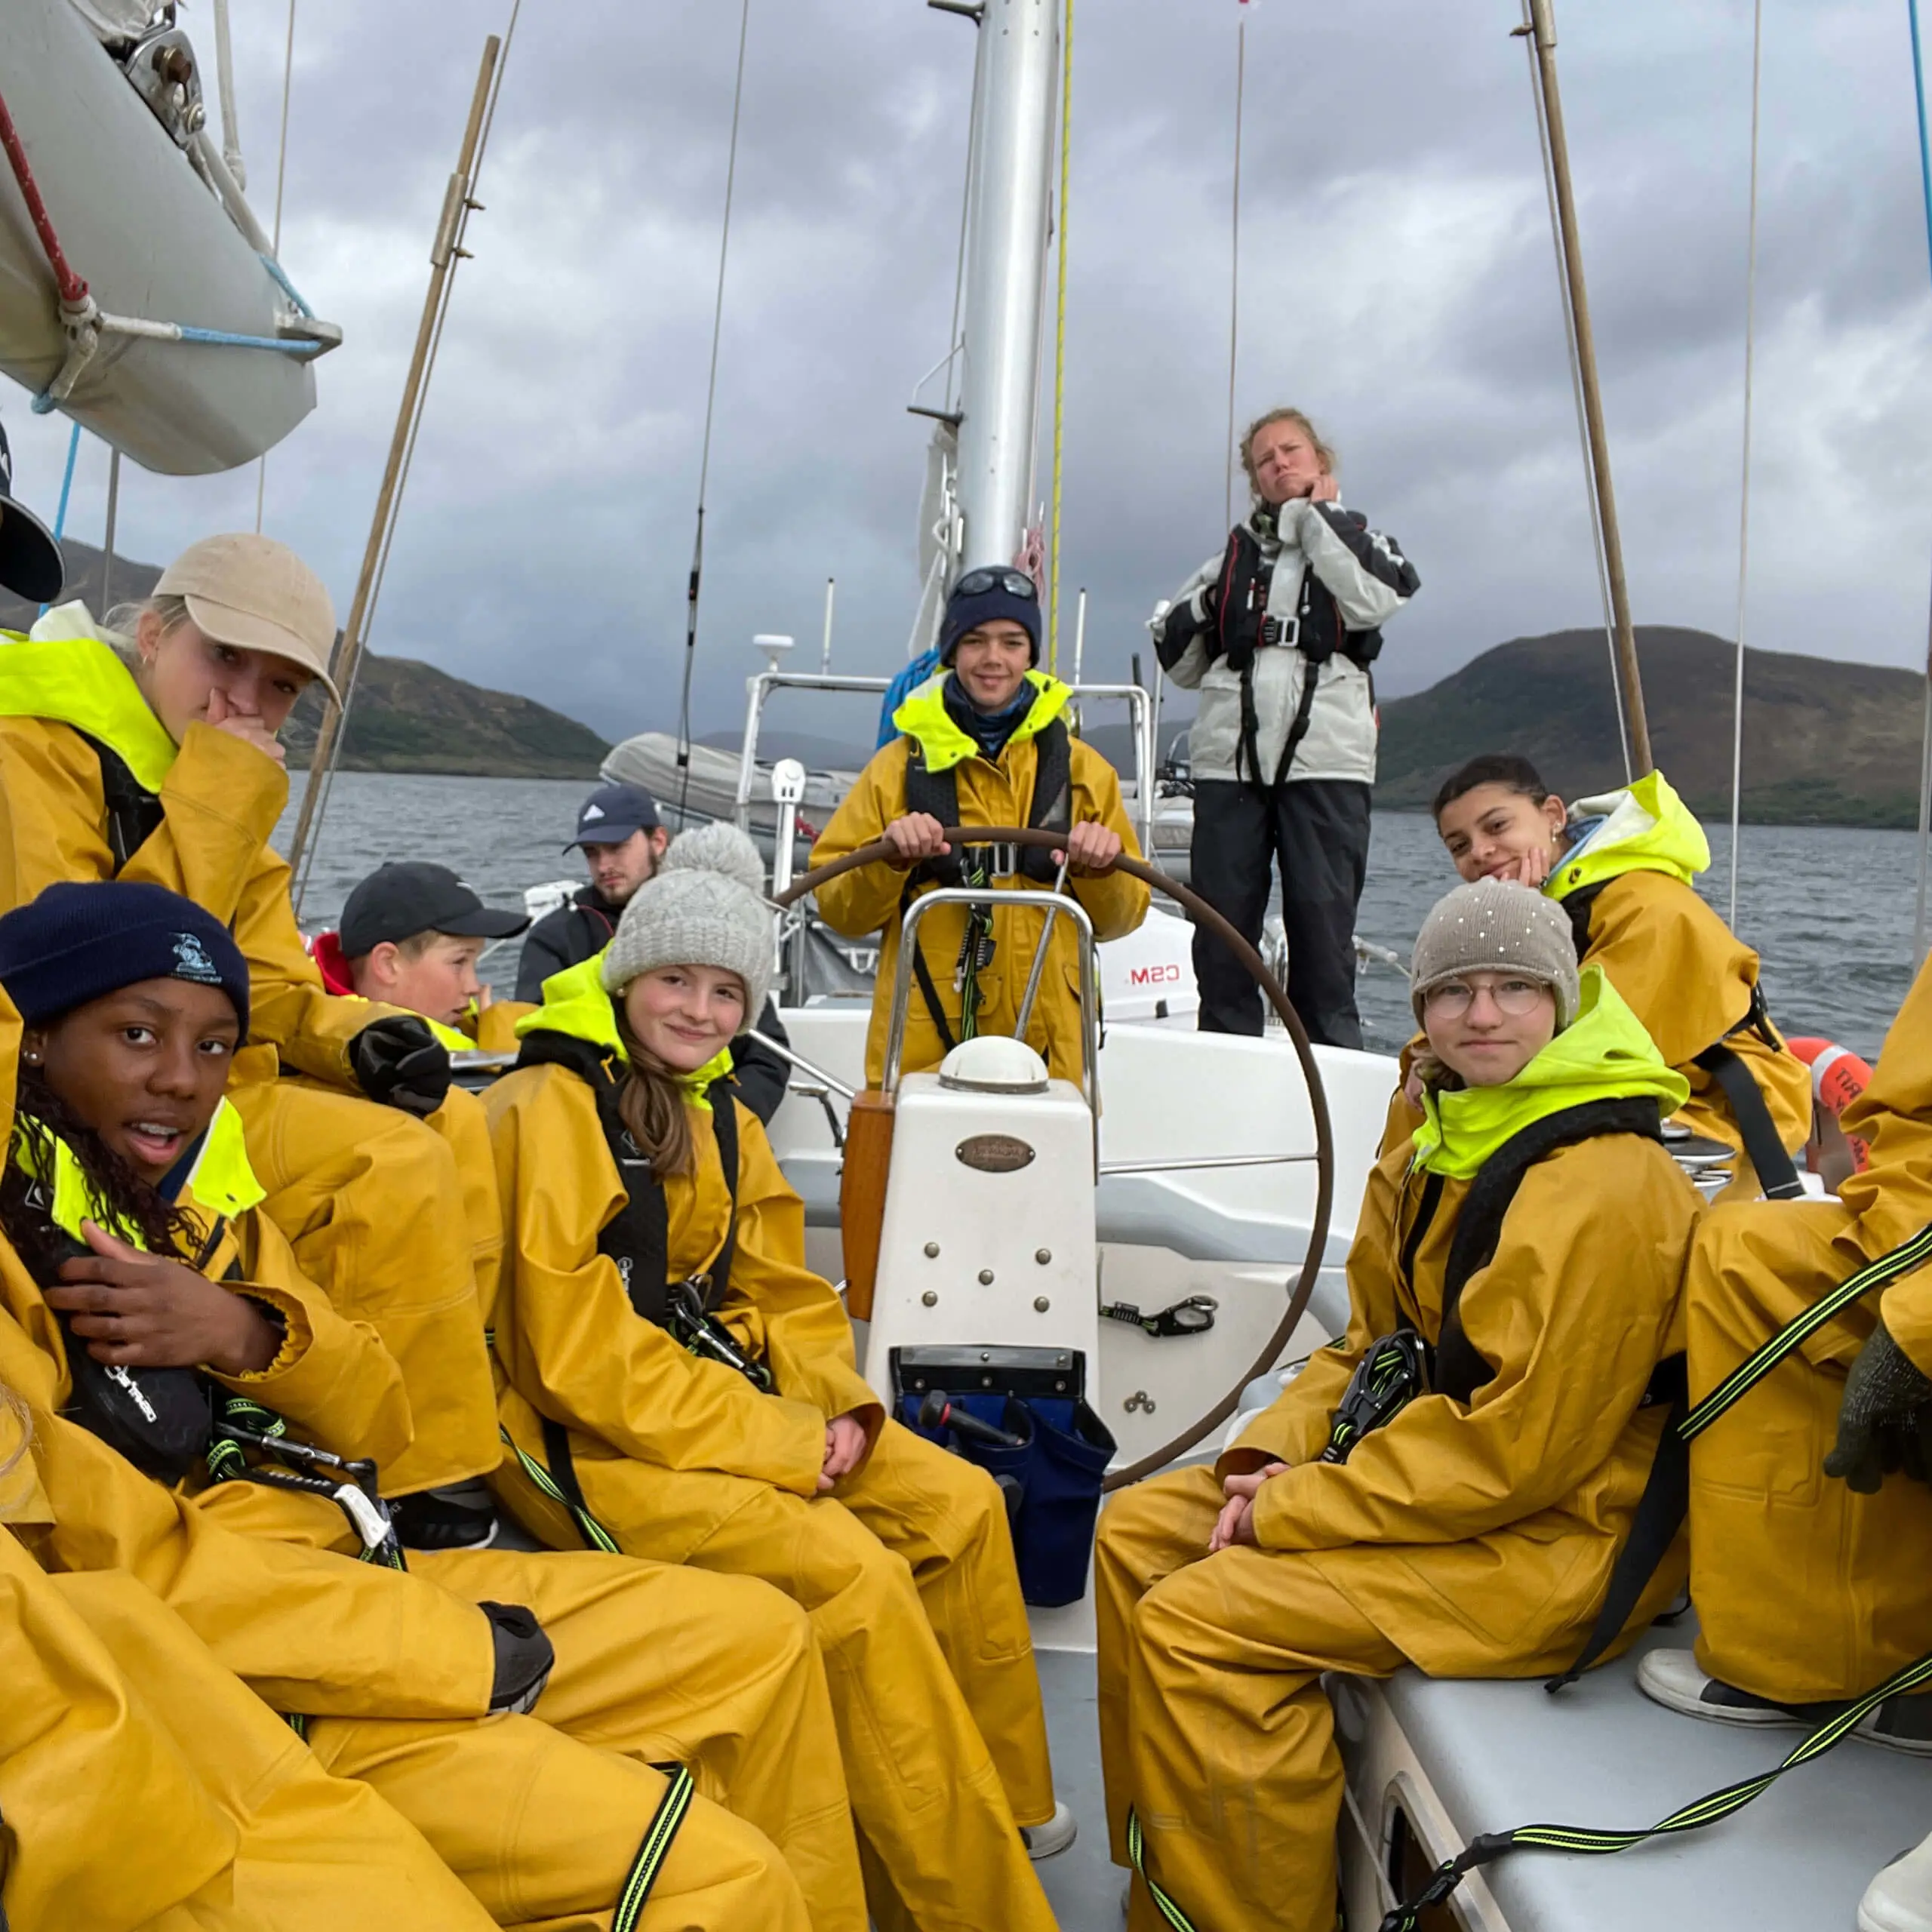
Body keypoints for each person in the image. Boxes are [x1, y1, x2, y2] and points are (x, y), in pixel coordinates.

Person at [0, 880, 872, 1932]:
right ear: (35, 1040)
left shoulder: (195, 1209)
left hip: (340, 1576)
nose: (181, 1080)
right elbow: (109, 1569)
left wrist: (245, 1332)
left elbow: (377, 1415)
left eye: (217, 1046)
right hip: (234, 1681)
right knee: (727, 1882)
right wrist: (455, 1652)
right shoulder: (26, 1252)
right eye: (137, 1033)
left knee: (766, 1638)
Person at [487, 822, 1067, 1931]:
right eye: (675, 980)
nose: (700, 1012)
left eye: (725, 990)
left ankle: (1003, 1818)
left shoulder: (713, 1105)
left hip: (707, 1405)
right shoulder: (548, 1111)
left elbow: (780, 1291)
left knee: (953, 1505)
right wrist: (781, 1445)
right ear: (624, 976)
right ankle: (971, 1908)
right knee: (847, 1575)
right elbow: (574, 1358)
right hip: (569, 1444)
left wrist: (838, 1406)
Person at [1094, 877, 1700, 1932]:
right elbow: (1377, 1347)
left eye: (1515, 988)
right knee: (1139, 1532)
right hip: (1459, 1500)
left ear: (1564, 999)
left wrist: (1290, 1512)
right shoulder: (1440, 1127)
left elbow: (1521, 1454)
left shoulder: (1600, 1185)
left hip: (1566, 1542)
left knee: (1198, 1623)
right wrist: (1262, 1465)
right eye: (1454, 990)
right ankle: (1170, 1889)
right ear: (1420, 1010)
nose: (1482, 1014)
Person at [0, 535, 502, 1524]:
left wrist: (351, 1034)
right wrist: (224, 792)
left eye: (277, 689)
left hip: (196, 1085)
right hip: (72, 1096)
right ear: (151, 635)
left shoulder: (202, 769)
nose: (243, 703)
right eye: (223, 660)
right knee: (388, 1167)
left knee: (457, 1129)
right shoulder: (35, 751)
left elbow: (260, 977)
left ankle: (432, 1434)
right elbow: (97, 970)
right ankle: (406, 1478)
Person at [810, 567, 1149, 1087]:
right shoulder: (895, 769)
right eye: (975, 641)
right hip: (923, 1056)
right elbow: (839, 908)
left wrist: (1103, 871)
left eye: (1012, 642)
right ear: (952, 653)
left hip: (1052, 1056)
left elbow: (1123, 919)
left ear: (1030, 655)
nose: (994, 659)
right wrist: (890, 860)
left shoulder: (1085, 771)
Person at [1151, 407, 1419, 1048]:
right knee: (1222, 933)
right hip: (1230, 765)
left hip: (1327, 760)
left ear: (1321, 463)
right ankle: (1225, 1059)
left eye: (1291, 450)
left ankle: (1328, 1079)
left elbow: (1376, 598)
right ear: (1255, 480)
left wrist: (1315, 519)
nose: (1280, 463)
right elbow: (1178, 659)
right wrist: (1212, 607)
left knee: (1323, 934)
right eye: (1265, 459)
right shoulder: (1229, 562)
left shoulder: (1362, 540)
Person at [1429, 754, 1812, 1192]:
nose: (1479, 852)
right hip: (1628, 1085)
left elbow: (1586, 1038)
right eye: (1459, 846)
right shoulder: (1546, 898)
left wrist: (1521, 919)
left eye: (1497, 827)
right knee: (1424, 1110)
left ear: (1553, 815)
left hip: (1713, 1102)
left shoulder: (1647, 904)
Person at [517, 783, 795, 1123]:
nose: (604, 864)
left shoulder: (714, 926)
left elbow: (769, 1055)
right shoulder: (555, 936)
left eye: (617, 848)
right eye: (592, 853)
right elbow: (540, 1037)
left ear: (659, 841)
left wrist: (720, 1127)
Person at [314, 860, 530, 1053]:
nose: (474, 987)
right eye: (459, 962)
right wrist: (501, 1055)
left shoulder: (319, 1035)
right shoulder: (376, 1076)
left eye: (473, 963)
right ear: (387, 965)